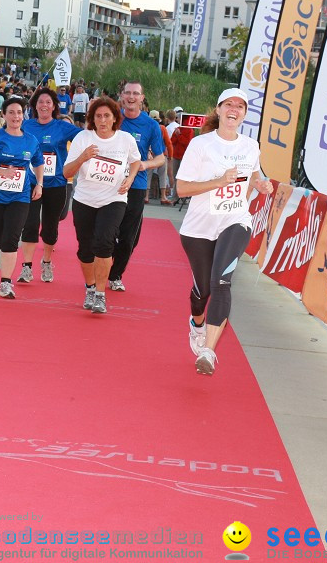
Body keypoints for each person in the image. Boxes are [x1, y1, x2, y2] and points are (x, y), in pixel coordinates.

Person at [175, 88, 274, 376]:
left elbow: (254, 173)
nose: (234, 109)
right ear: (218, 110)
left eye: (240, 106)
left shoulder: (250, 145)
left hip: (235, 219)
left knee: (221, 281)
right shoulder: (201, 145)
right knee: (203, 289)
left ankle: (208, 350)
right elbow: (182, 188)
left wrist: (260, 183)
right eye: (229, 104)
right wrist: (218, 181)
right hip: (199, 227)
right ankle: (196, 324)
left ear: (244, 114)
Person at [62, 97, 141, 314]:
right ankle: (89, 287)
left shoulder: (125, 140)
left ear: (115, 118)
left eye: (107, 116)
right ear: (92, 119)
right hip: (85, 199)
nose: (103, 120)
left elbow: (135, 161)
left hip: (114, 199)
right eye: (98, 116)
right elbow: (67, 172)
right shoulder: (83, 138)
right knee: (85, 249)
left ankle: (100, 294)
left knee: (105, 242)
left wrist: (130, 178)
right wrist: (82, 158)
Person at [0, 96, 44, 299]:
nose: (16, 116)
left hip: (20, 197)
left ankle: (6, 283)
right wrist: (1, 172)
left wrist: (39, 183)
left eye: (19, 112)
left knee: (12, 239)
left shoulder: (30, 140)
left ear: (24, 115)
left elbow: (39, 162)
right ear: (4, 115)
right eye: (12, 112)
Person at [17, 86, 82, 284]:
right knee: (29, 225)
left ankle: (46, 262)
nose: (44, 105)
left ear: (54, 106)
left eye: (48, 102)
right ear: (34, 106)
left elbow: (85, 138)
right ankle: (26, 267)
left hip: (56, 184)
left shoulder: (63, 127)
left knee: (50, 227)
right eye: (40, 102)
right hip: (31, 183)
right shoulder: (26, 126)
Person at [108, 81, 165, 292]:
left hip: (136, 185)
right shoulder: (113, 118)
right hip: (109, 181)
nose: (131, 97)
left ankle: (116, 275)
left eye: (135, 93)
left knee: (130, 236)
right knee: (107, 229)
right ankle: (106, 261)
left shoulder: (151, 125)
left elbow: (160, 158)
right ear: (121, 96)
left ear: (142, 98)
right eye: (127, 93)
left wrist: (144, 164)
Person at [171, 106, 194, 202]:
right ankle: (176, 196)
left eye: (179, 118)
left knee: (182, 177)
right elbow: (172, 141)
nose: (177, 119)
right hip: (176, 156)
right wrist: (177, 134)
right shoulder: (178, 128)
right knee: (175, 176)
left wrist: (179, 135)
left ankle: (180, 197)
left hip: (184, 157)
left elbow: (187, 143)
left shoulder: (189, 130)